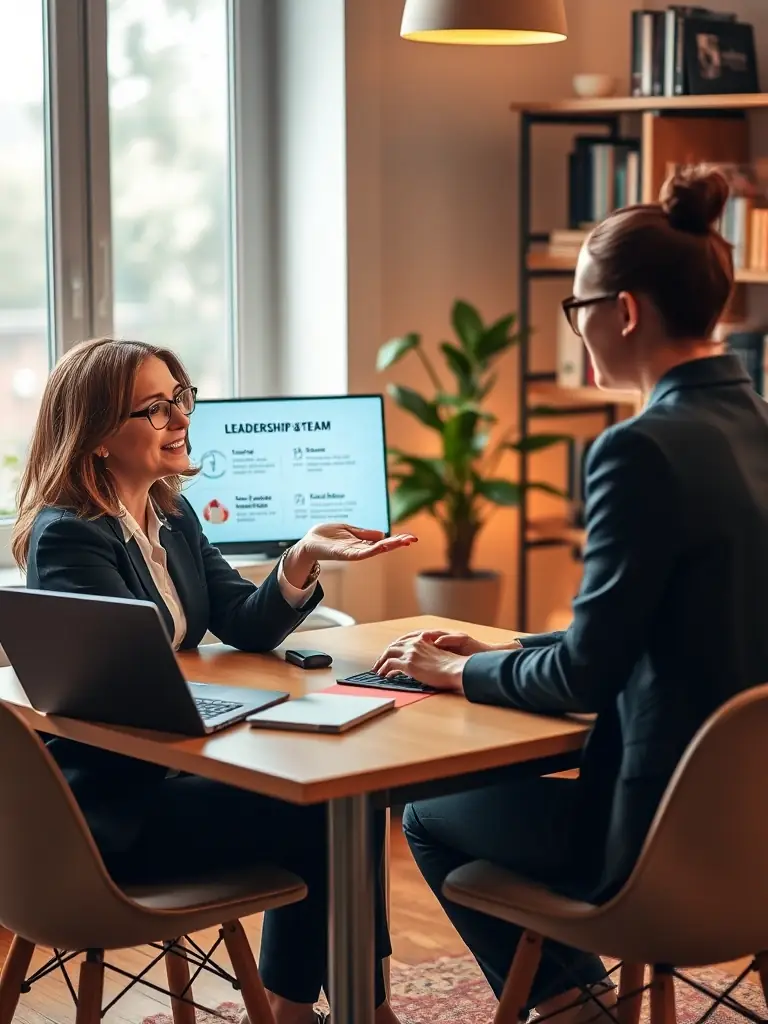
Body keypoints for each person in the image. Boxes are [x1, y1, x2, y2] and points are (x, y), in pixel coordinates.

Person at [373, 166, 768, 1022]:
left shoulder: (639, 450)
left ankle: (577, 1009)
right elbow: (649, 633)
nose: (579, 327)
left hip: (658, 846)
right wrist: (505, 656)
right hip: (755, 834)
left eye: (578, 307)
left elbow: (589, 676)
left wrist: (456, 676)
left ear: (621, 312)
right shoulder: (756, 425)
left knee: (432, 814)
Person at [12, 336, 415, 1024]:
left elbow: (243, 622)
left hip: (171, 775)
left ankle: (318, 1007)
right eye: (155, 409)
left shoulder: (171, 512)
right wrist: (237, 719)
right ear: (99, 435)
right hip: (110, 813)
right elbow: (123, 691)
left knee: (340, 797)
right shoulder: (69, 537)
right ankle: (346, 1012)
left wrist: (302, 554)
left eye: (181, 398)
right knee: (331, 809)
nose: (180, 419)